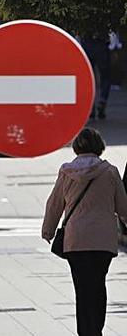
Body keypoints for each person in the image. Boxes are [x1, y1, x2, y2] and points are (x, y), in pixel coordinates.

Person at [41, 128, 127, 335]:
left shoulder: (67, 172)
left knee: (82, 288)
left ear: (77, 147)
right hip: (102, 241)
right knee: (98, 284)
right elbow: (123, 207)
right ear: (100, 147)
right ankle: (96, 329)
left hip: (76, 240)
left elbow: (54, 204)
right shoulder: (110, 172)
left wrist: (48, 230)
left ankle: (85, 331)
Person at [79, 33, 113, 120]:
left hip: (87, 41)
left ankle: (91, 106)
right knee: (105, 76)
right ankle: (102, 100)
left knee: (88, 77)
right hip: (102, 42)